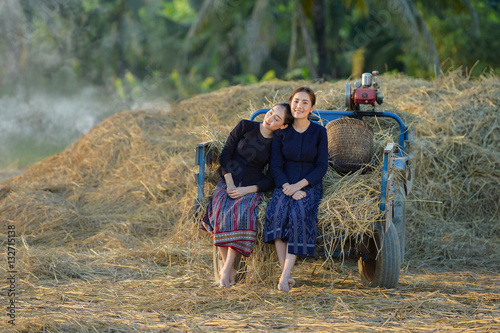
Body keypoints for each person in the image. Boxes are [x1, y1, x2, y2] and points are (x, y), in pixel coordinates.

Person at [201, 103, 294, 288]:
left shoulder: (277, 143)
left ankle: (227, 267)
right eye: (270, 113)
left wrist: (247, 190)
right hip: (229, 178)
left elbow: (271, 179)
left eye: (277, 119)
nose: (270, 118)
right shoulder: (245, 126)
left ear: (283, 126)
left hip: (251, 185)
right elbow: (225, 155)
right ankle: (229, 268)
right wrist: (229, 183)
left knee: (241, 212)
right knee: (219, 209)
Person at [264, 87, 329, 293]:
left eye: (304, 103)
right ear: (290, 103)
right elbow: (275, 165)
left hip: (308, 186)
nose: (299, 106)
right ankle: (287, 274)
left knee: (299, 214)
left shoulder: (319, 132)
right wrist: (286, 186)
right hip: (283, 185)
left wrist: (299, 187)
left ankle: (284, 277)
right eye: (295, 101)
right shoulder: (282, 133)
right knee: (276, 213)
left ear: (312, 108)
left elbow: (322, 166)